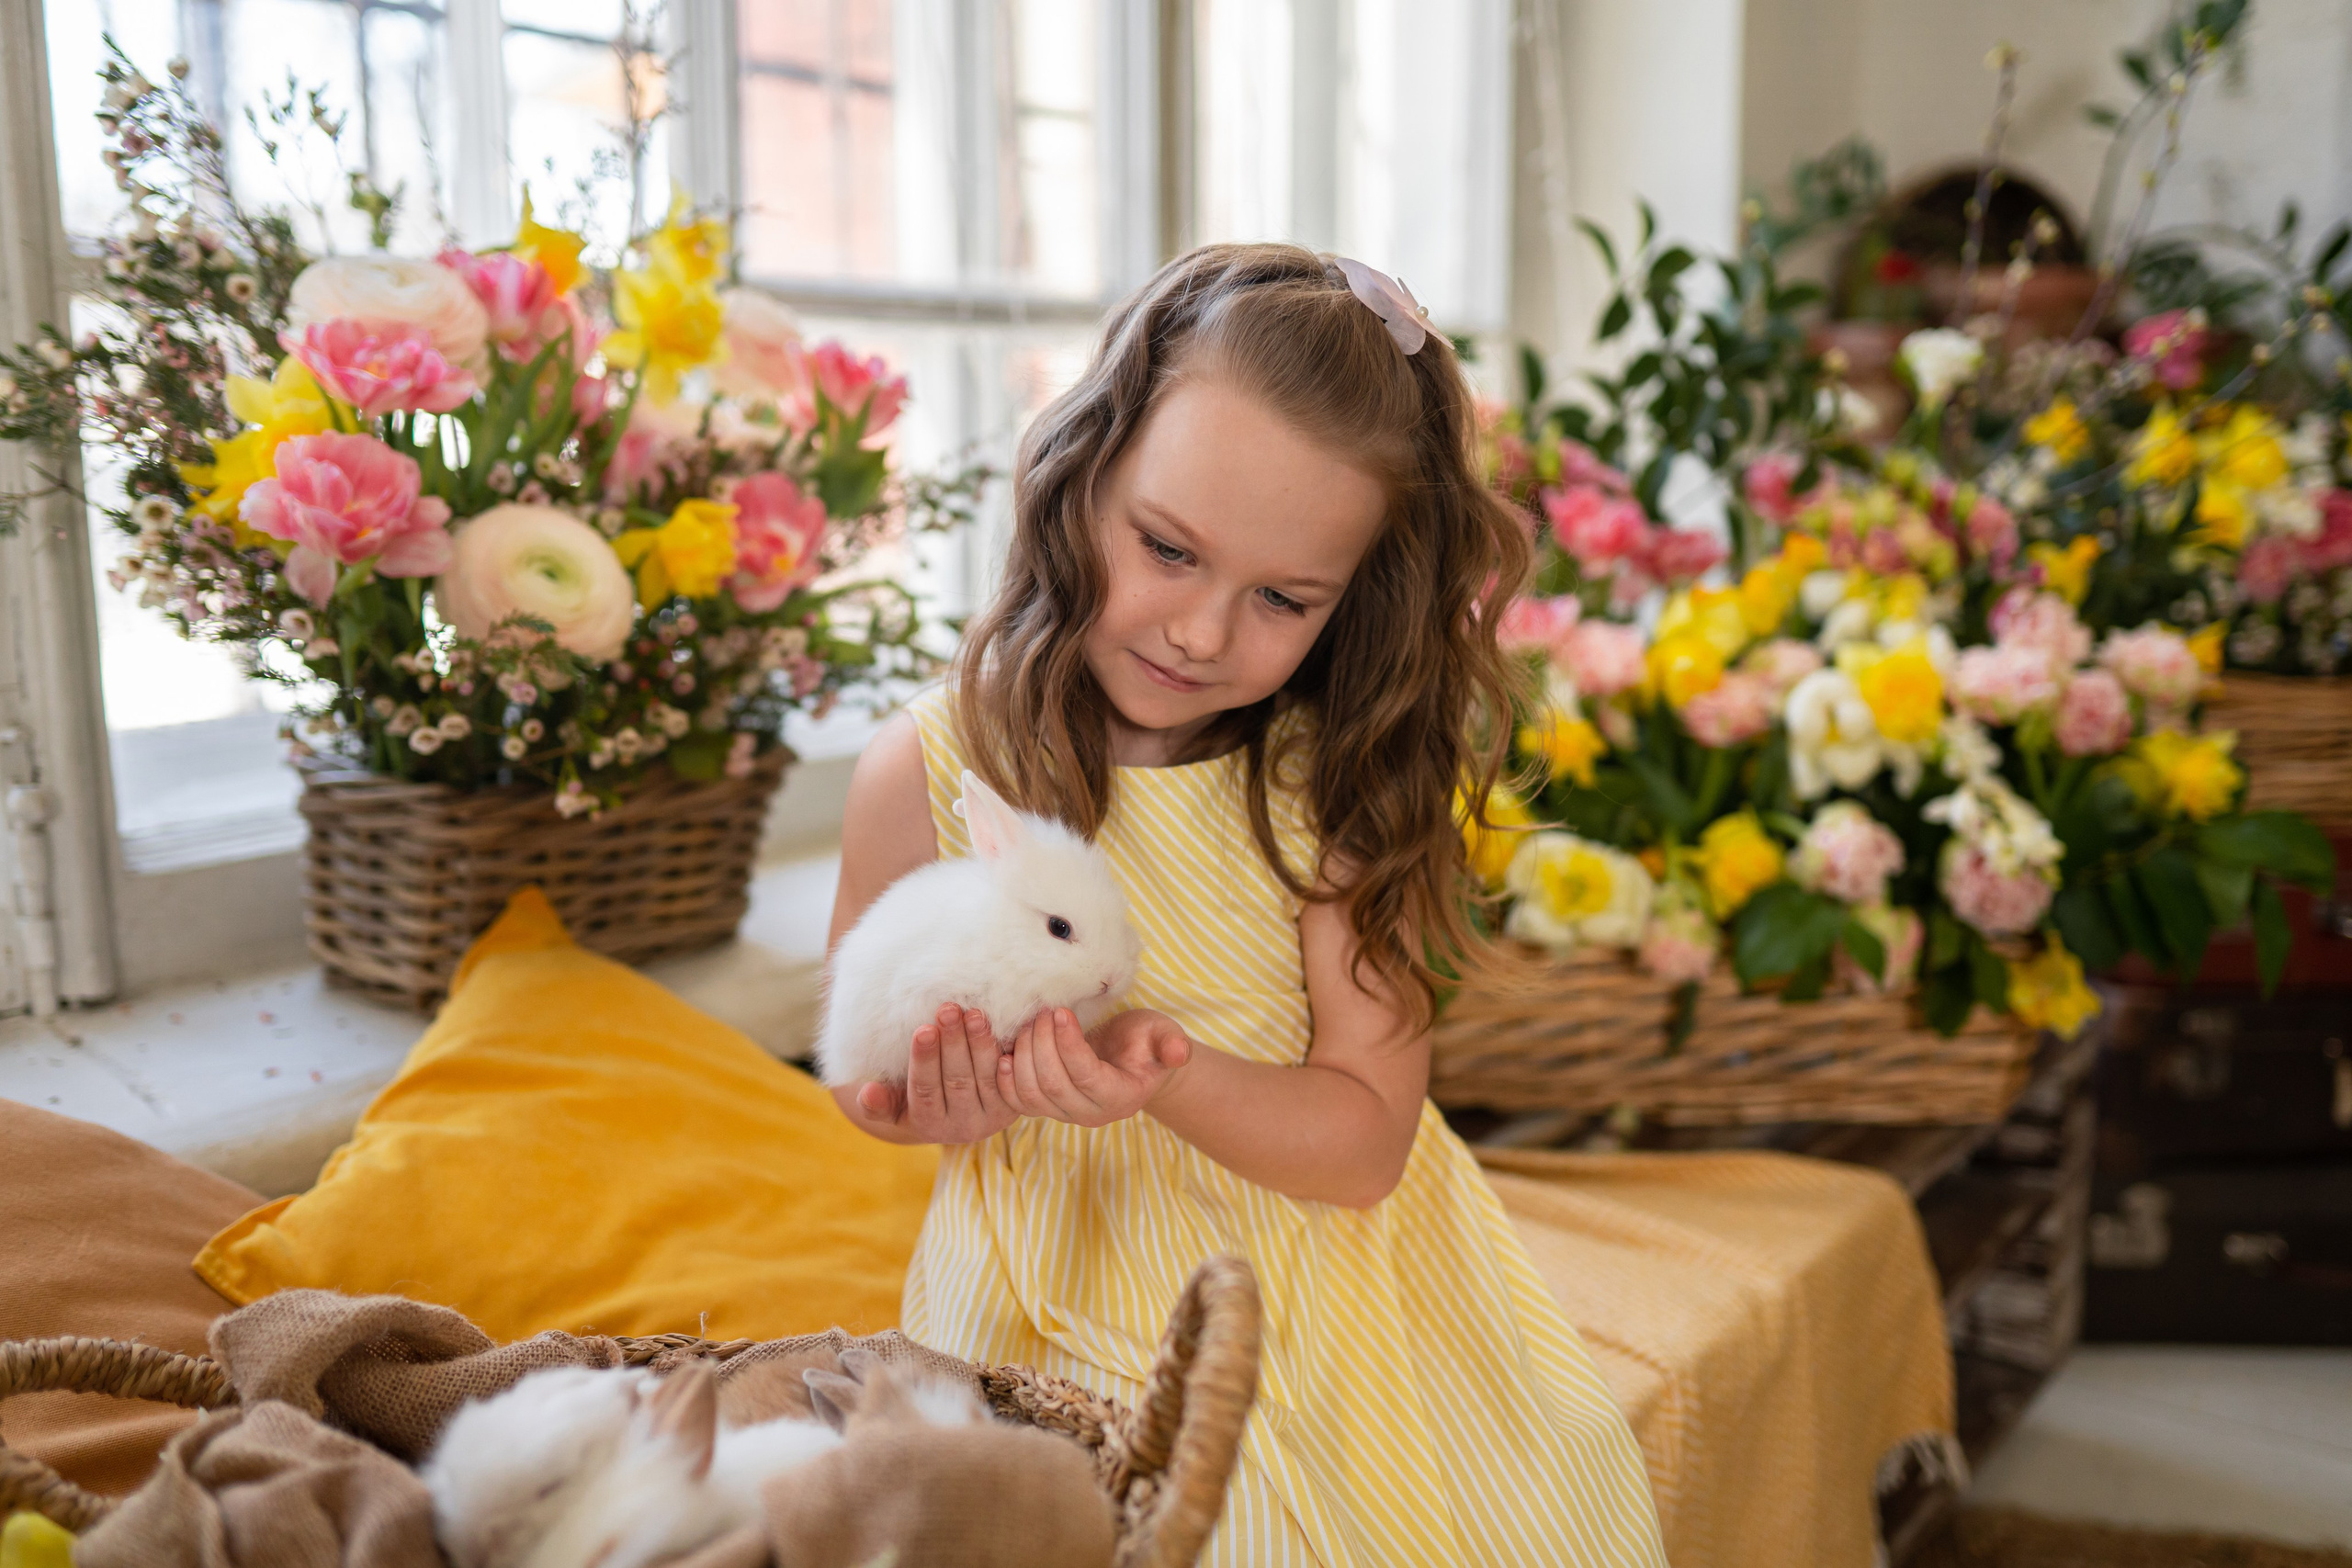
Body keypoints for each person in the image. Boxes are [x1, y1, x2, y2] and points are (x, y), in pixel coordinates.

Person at [826, 243, 1667, 1566]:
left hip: (1297, 1304)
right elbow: (859, 1070)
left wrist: (1164, 1072)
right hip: (1030, 1285)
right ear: (1084, 476)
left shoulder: (1326, 792)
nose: (1203, 634)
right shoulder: (925, 775)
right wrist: (925, 1099)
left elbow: (1366, 1138)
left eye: (1284, 599)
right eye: (1167, 549)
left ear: (1354, 603)